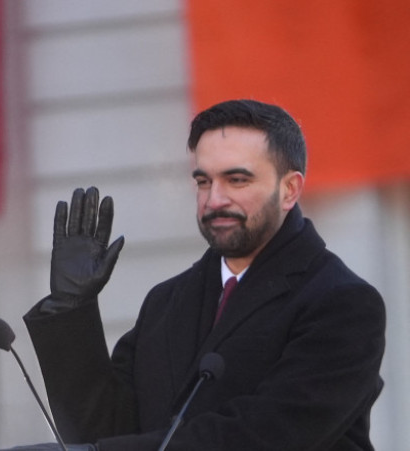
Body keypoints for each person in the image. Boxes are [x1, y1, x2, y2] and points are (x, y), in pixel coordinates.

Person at [22, 100, 386, 450]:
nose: (214, 200)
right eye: (203, 181)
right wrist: (71, 309)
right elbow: (107, 432)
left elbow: (269, 436)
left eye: (237, 180)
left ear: (289, 189)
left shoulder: (343, 303)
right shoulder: (166, 302)